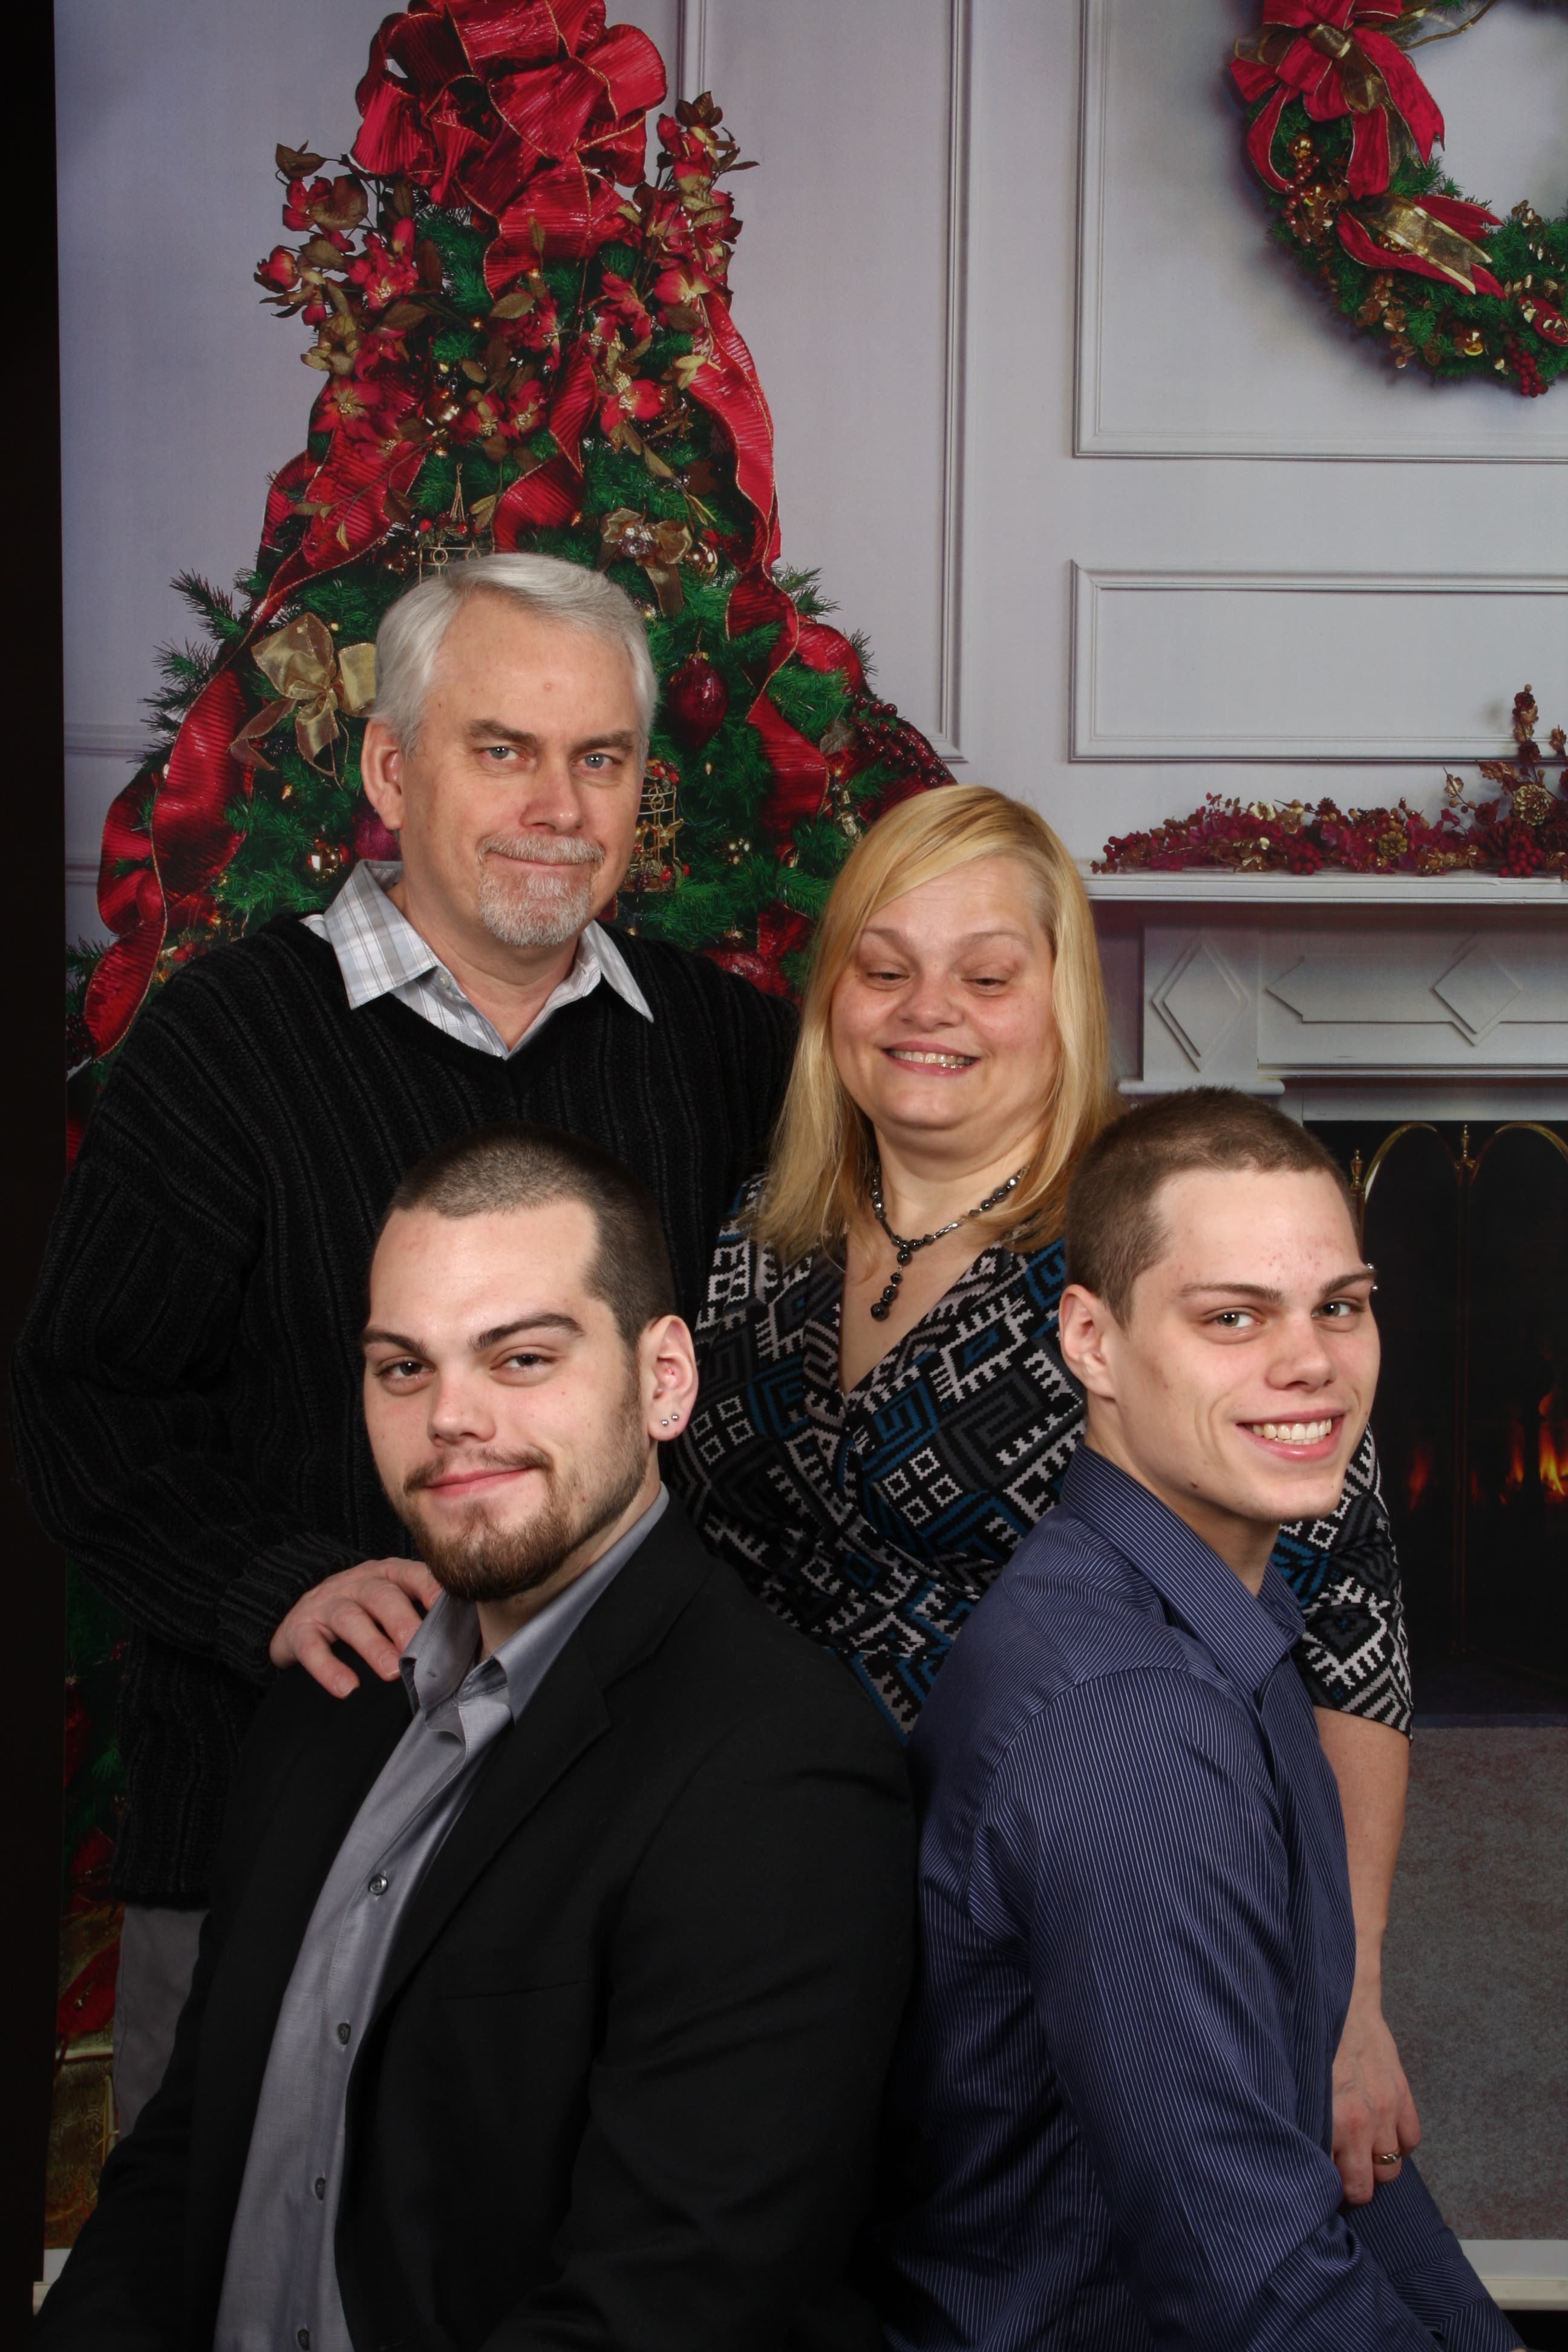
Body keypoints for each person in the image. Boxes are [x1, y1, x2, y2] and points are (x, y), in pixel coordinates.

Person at [13, 554, 797, 2130]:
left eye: (602, 760)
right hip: (271, 1821)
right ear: (390, 766)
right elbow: (79, 1397)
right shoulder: (229, 1043)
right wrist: (272, 1584)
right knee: (227, 2278)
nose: (558, 807)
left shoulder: (727, 1048)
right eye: (501, 749)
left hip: (615, 1840)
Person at [33, 1123, 912, 2352]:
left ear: (665, 1378)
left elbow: (672, 2302)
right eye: (404, 1369)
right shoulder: (326, 1710)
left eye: (522, 1358)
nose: (451, 1417)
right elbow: (185, 2159)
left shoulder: (780, 1772)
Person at [671, 783, 1420, 2203]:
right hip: (767, 1907)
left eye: (986, 974)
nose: (924, 1008)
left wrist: (1352, 1986)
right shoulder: (757, 1237)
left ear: (1063, 994)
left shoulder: (1159, 1247)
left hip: (1059, 1928)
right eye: (881, 968)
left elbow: (1355, 1628)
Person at [876, 1089, 1520, 2352]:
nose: (1311, 1365)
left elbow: (1329, 2177)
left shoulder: (1222, 1612)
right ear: (1094, 1343)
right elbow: (1252, 2285)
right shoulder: (1129, 1724)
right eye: (1233, 1318)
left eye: (1340, 1305)